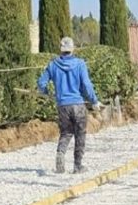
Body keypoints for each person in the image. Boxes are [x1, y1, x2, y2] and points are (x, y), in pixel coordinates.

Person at [37, 36, 103, 174]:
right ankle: (78, 166)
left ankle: (60, 153)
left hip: (62, 105)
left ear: (60, 49)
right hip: (78, 105)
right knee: (80, 134)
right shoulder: (80, 64)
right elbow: (86, 85)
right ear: (72, 49)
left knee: (66, 133)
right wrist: (94, 101)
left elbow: (41, 83)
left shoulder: (52, 65)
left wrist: (46, 91)